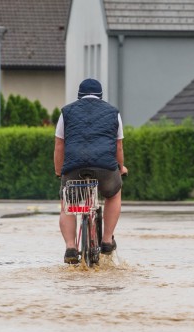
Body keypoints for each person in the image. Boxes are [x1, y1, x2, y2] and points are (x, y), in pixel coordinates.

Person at [54, 78, 128, 264]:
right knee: (114, 194)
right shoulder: (113, 113)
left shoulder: (66, 112)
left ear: (79, 96)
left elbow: (59, 146)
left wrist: (59, 171)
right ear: (101, 96)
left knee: (67, 203)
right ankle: (106, 240)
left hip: (73, 167)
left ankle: (71, 248)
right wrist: (120, 168)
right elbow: (118, 147)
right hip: (104, 168)